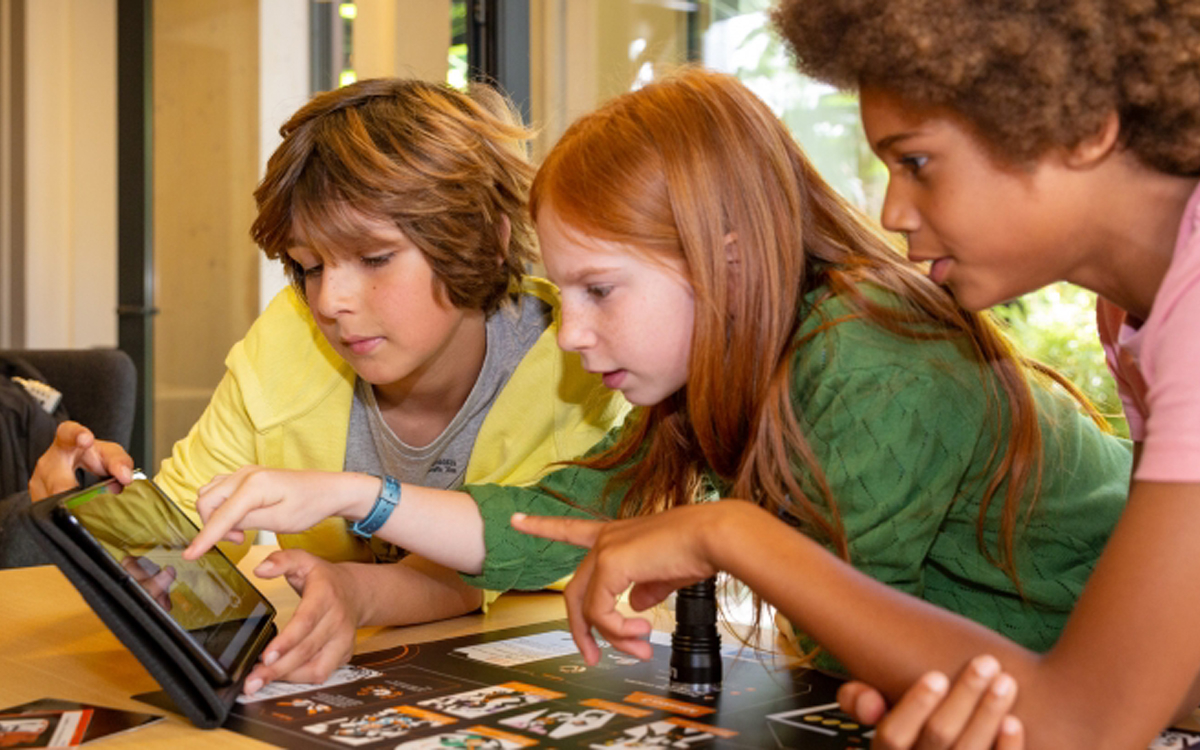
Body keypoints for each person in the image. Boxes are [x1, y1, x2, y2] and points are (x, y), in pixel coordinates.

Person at [184, 68, 1129, 739]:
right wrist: (359, 497)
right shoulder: (718, 370)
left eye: (600, 292)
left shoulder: (869, 353)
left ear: (721, 260)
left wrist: (718, 536)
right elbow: (553, 518)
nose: (570, 333)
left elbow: (854, 627)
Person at [663, 1, 1200, 747]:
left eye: (915, 162)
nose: (891, 210)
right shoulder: (1137, 312)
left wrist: (730, 533)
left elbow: (1083, 723)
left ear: (1082, 128)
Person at [29, 78, 627, 693]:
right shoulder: (290, 338)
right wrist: (106, 517)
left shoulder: (577, 361)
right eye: (310, 267)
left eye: (374, 257)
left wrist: (359, 593)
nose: (330, 301)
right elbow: (189, 535)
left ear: (484, 238)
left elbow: (494, 554)